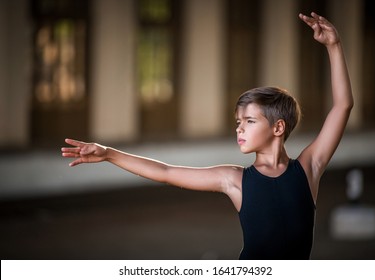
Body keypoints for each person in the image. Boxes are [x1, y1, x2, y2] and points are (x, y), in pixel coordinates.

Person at [61, 12, 353, 259]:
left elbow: (342, 105)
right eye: (238, 121)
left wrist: (334, 46)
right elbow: (165, 172)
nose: (239, 128)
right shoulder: (235, 180)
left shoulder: (308, 168)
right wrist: (109, 153)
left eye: (250, 121)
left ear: (278, 128)